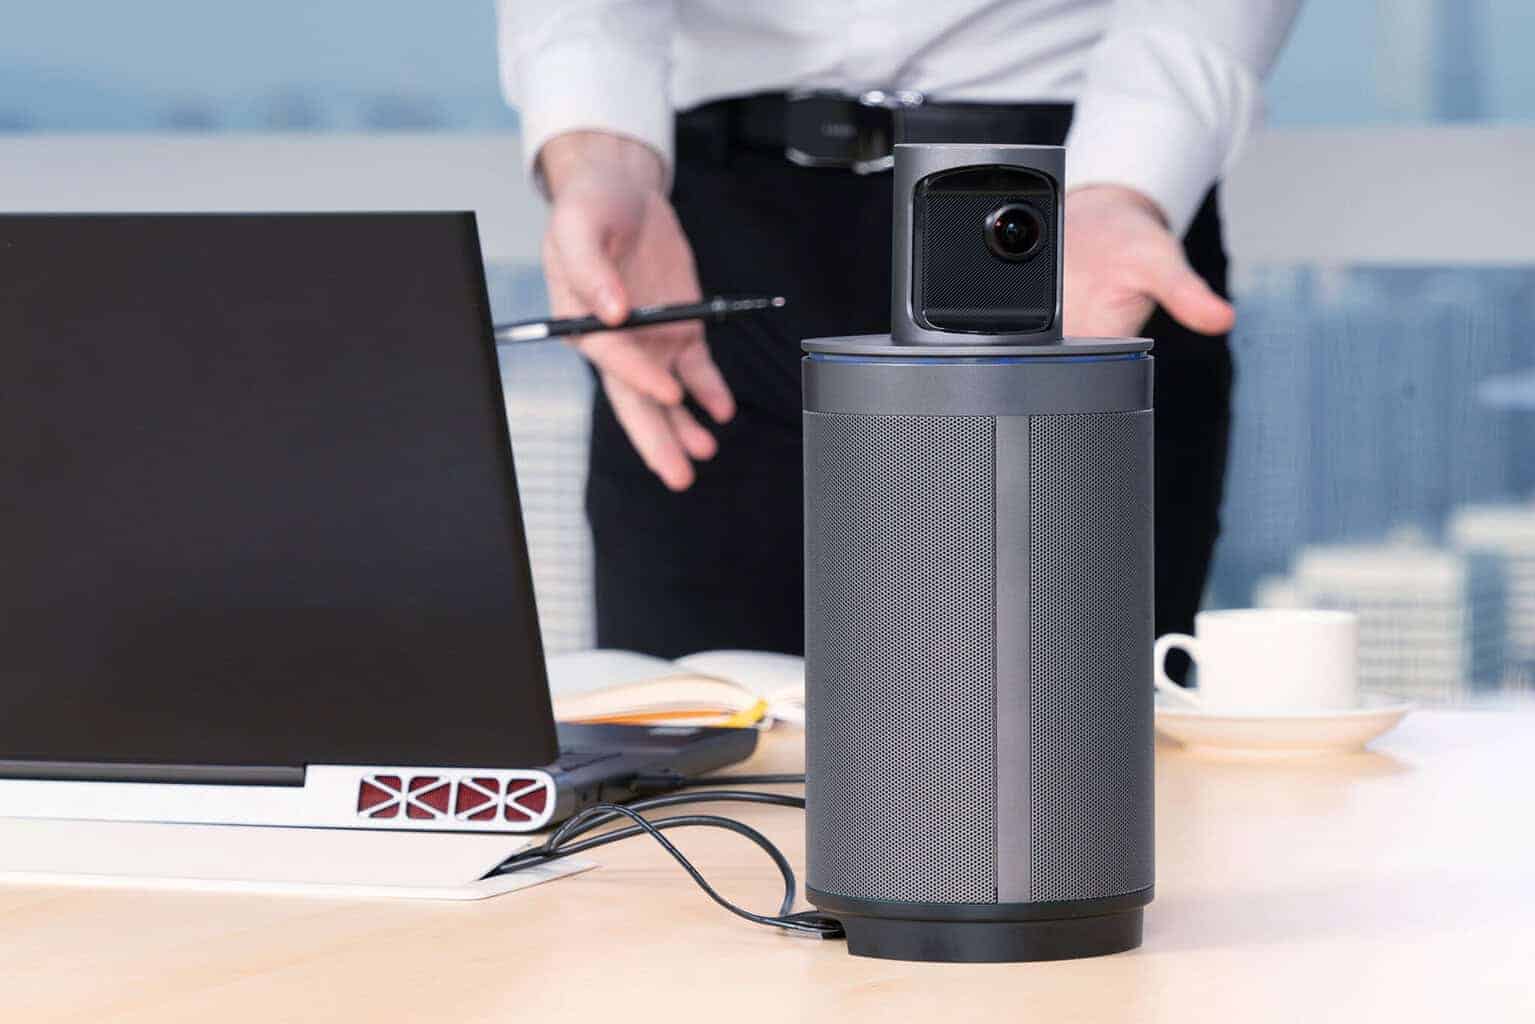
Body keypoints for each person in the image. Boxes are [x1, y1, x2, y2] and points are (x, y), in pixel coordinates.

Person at [498, 1, 1303, 658]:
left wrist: (1131, 179)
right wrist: (599, 153)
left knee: (1063, 770)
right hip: (705, 236)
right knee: (689, 757)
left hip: (1070, 215)